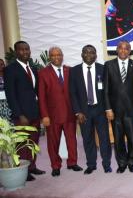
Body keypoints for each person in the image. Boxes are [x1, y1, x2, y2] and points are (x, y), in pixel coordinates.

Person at [4, 41, 46, 181]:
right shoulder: (11, 69)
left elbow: (35, 92)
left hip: (34, 113)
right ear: (16, 52)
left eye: (27, 49)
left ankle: (32, 166)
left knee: (33, 142)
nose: (25, 52)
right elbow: (11, 95)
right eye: (21, 50)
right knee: (22, 144)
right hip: (22, 115)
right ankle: (23, 170)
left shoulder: (33, 69)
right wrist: (19, 114)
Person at [38, 47, 81, 177]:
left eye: (59, 55)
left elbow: (76, 92)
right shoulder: (43, 73)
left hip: (69, 113)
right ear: (49, 57)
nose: (56, 57)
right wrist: (44, 115)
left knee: (72, 140)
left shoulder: (70, 70)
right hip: (52, 116)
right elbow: (42, 97)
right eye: (53, 55)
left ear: (62, 56)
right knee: (53, 143)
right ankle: (55, 166)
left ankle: (72, 163)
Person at [69, 45, 112, 175]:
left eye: (92, 53)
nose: (89, 55)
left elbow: (107, 91)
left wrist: (107, 109)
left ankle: (106, 164)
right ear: (82, 54)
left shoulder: (102, 69)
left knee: (104, 138)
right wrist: (77, 112)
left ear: (96, 55)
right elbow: (73, 93)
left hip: (100, 110)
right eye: (86, 53)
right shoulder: (74, 71)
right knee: (87, 138)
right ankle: (91, 164)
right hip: (84, 111)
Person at [104, 40, 133, 173]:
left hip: (132, 111)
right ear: (117, 50)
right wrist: (108, 109)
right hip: (115, 111)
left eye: (126, 49)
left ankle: (132, 162)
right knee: (118, 139)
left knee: (132, 139)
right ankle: (122, 163)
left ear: (130, 51)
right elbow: (106, 90)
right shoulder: (108, 65)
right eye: (121, 48)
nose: (123, 51)